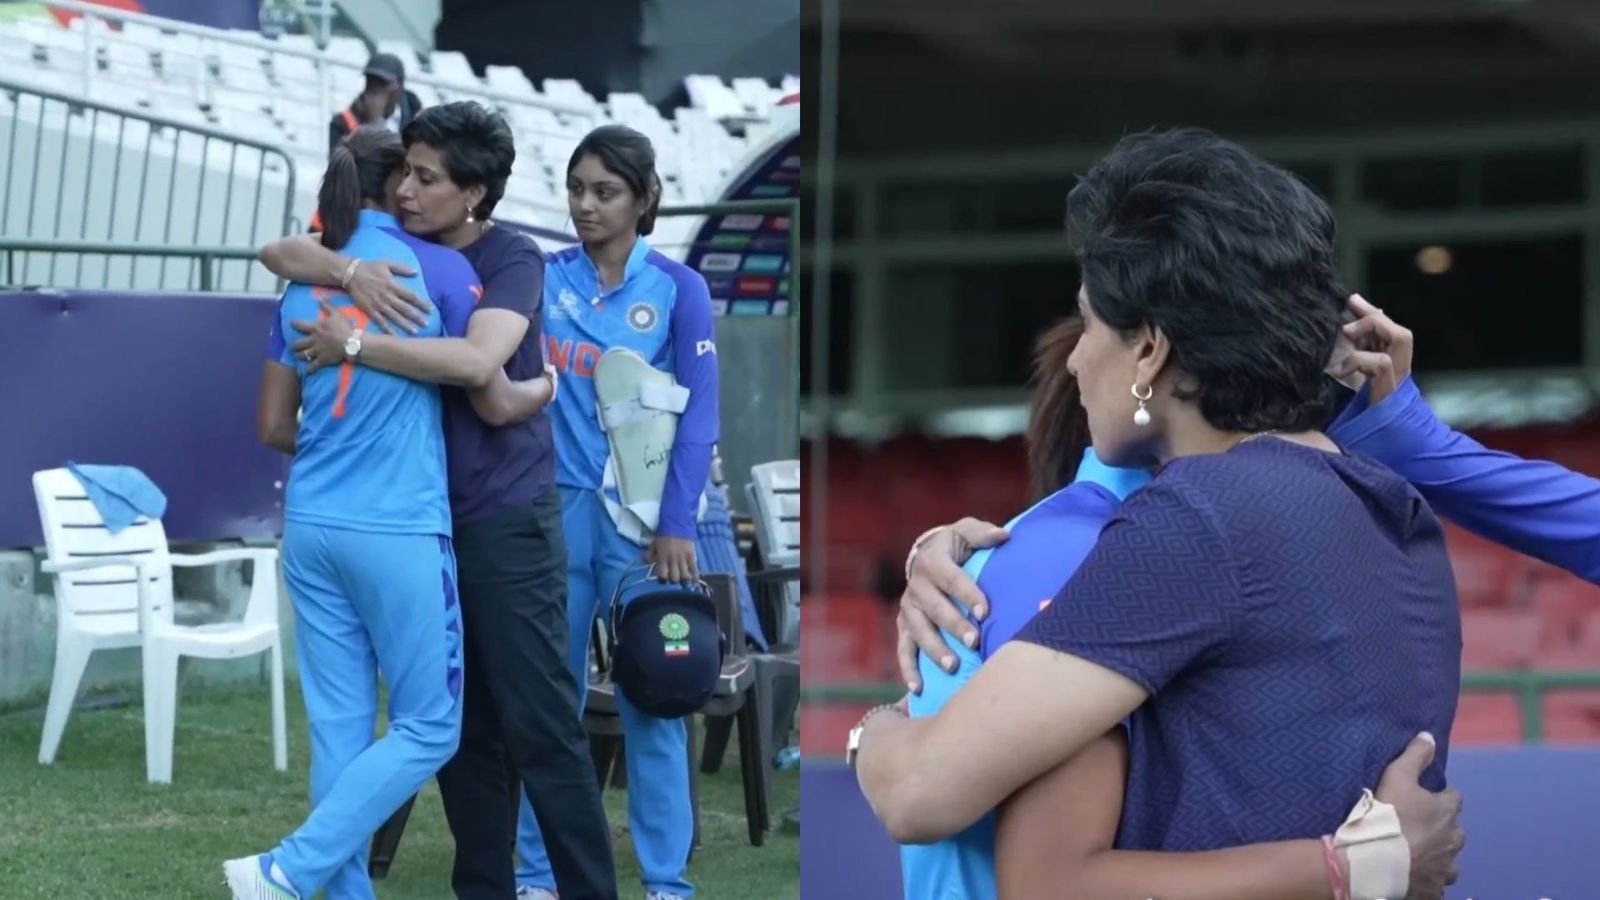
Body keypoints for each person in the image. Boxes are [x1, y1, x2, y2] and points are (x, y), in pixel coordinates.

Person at [851, 128, 1463, 900]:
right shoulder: (1397, 509)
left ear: (1148, 352)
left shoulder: (1198, 518)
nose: (1076, 358)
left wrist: (873, 730)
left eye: (1089, 323)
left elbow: (927, 801)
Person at [258, 102, 619, 900]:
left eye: (426, 179)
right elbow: (279, 251)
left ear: (474, 193)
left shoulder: (509, 258)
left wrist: (356, 343)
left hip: (502, 520)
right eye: (404, 174)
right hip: (418, 526)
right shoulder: (384, 257)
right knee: (463, 735)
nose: (407, 191)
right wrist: (347, 274)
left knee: (539, 725)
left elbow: (480, 369)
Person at [226, 126, 482, 900]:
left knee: (339, 728)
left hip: (312, 523)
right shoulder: (440, 267)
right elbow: (485, 377)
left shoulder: (303, 281)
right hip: (398, 527)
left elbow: (273, 425)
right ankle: (284, 870)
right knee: (431, 725)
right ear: (399, 181)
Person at [513, 124, 717, 900]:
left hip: (641, 531)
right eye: (577, 190)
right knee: (548, 707)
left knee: (653, 702)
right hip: (550, 519)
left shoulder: (677, 289)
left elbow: (699, 416)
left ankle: (666, 883)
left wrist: (676, 524)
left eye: (605, 192)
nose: (586, 206)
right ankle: (538, 876)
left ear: (645, 198)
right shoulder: (544, 278)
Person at [329, 53, 423, 154]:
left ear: (399, 86)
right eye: (370, 82)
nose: (375, 89)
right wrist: (370, 127)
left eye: (382, 83)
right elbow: (338, 163)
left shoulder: (416, 118)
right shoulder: (342, 123)